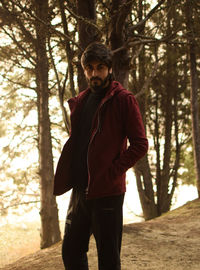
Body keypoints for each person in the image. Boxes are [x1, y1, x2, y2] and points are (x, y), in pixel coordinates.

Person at [53, 42, 148, 270]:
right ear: (85, 70)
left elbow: (140, 144)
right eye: (90, 68)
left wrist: (112, 172)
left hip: (108, 193)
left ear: (109, 69)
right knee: (71, 252)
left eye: (100, 68)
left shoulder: (124, 100)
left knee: (108, 259)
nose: (94, 73)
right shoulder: (81, 101)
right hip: (80, 191)